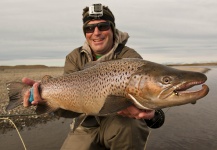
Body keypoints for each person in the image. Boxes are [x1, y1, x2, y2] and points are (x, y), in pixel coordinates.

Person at [22, 4, 156, 150]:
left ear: (112, 28)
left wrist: (152, 111)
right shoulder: (74, 57)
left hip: (119, 122)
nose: (96, 32)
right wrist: (46, 102)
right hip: (85, 123)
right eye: (89, 28)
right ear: (85, 32)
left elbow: (147, 96)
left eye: (103, 26)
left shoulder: (130, 57)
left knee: (131, 128)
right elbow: (69, 110)